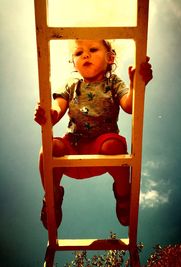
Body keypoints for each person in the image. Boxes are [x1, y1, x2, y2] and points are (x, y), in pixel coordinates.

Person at [34, 39, 153, 229]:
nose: (85, 55)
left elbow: (129, 106)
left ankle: (123, 195)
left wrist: (136, 85)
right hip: (72, 147)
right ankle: (52, 196)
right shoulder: (72, 83)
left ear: (110, 57)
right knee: (48, 148)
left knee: (114, 145)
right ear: (73, 62)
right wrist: (48, 114)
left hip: (102, 151)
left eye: (92, 49)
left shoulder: (113, 82)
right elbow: (57, 109)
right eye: (79, 53)